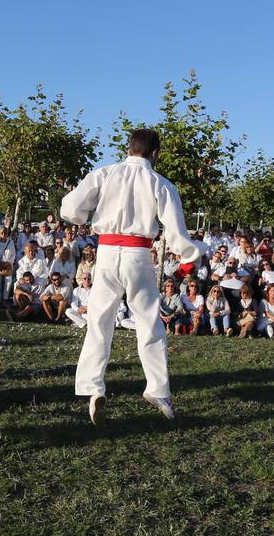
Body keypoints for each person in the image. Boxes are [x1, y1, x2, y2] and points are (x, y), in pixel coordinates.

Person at [60, 128, 201, 423]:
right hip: (138, 256)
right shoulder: (160, 183)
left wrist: (85, 218)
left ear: (128, 148)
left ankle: (93, 388)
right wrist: (189, 259)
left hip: (107, 253)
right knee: (148, 321)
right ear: (155, 153)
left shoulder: (105, 173)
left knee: (99, 320)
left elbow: (70, 208)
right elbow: (176, 233)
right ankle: (158, 388)